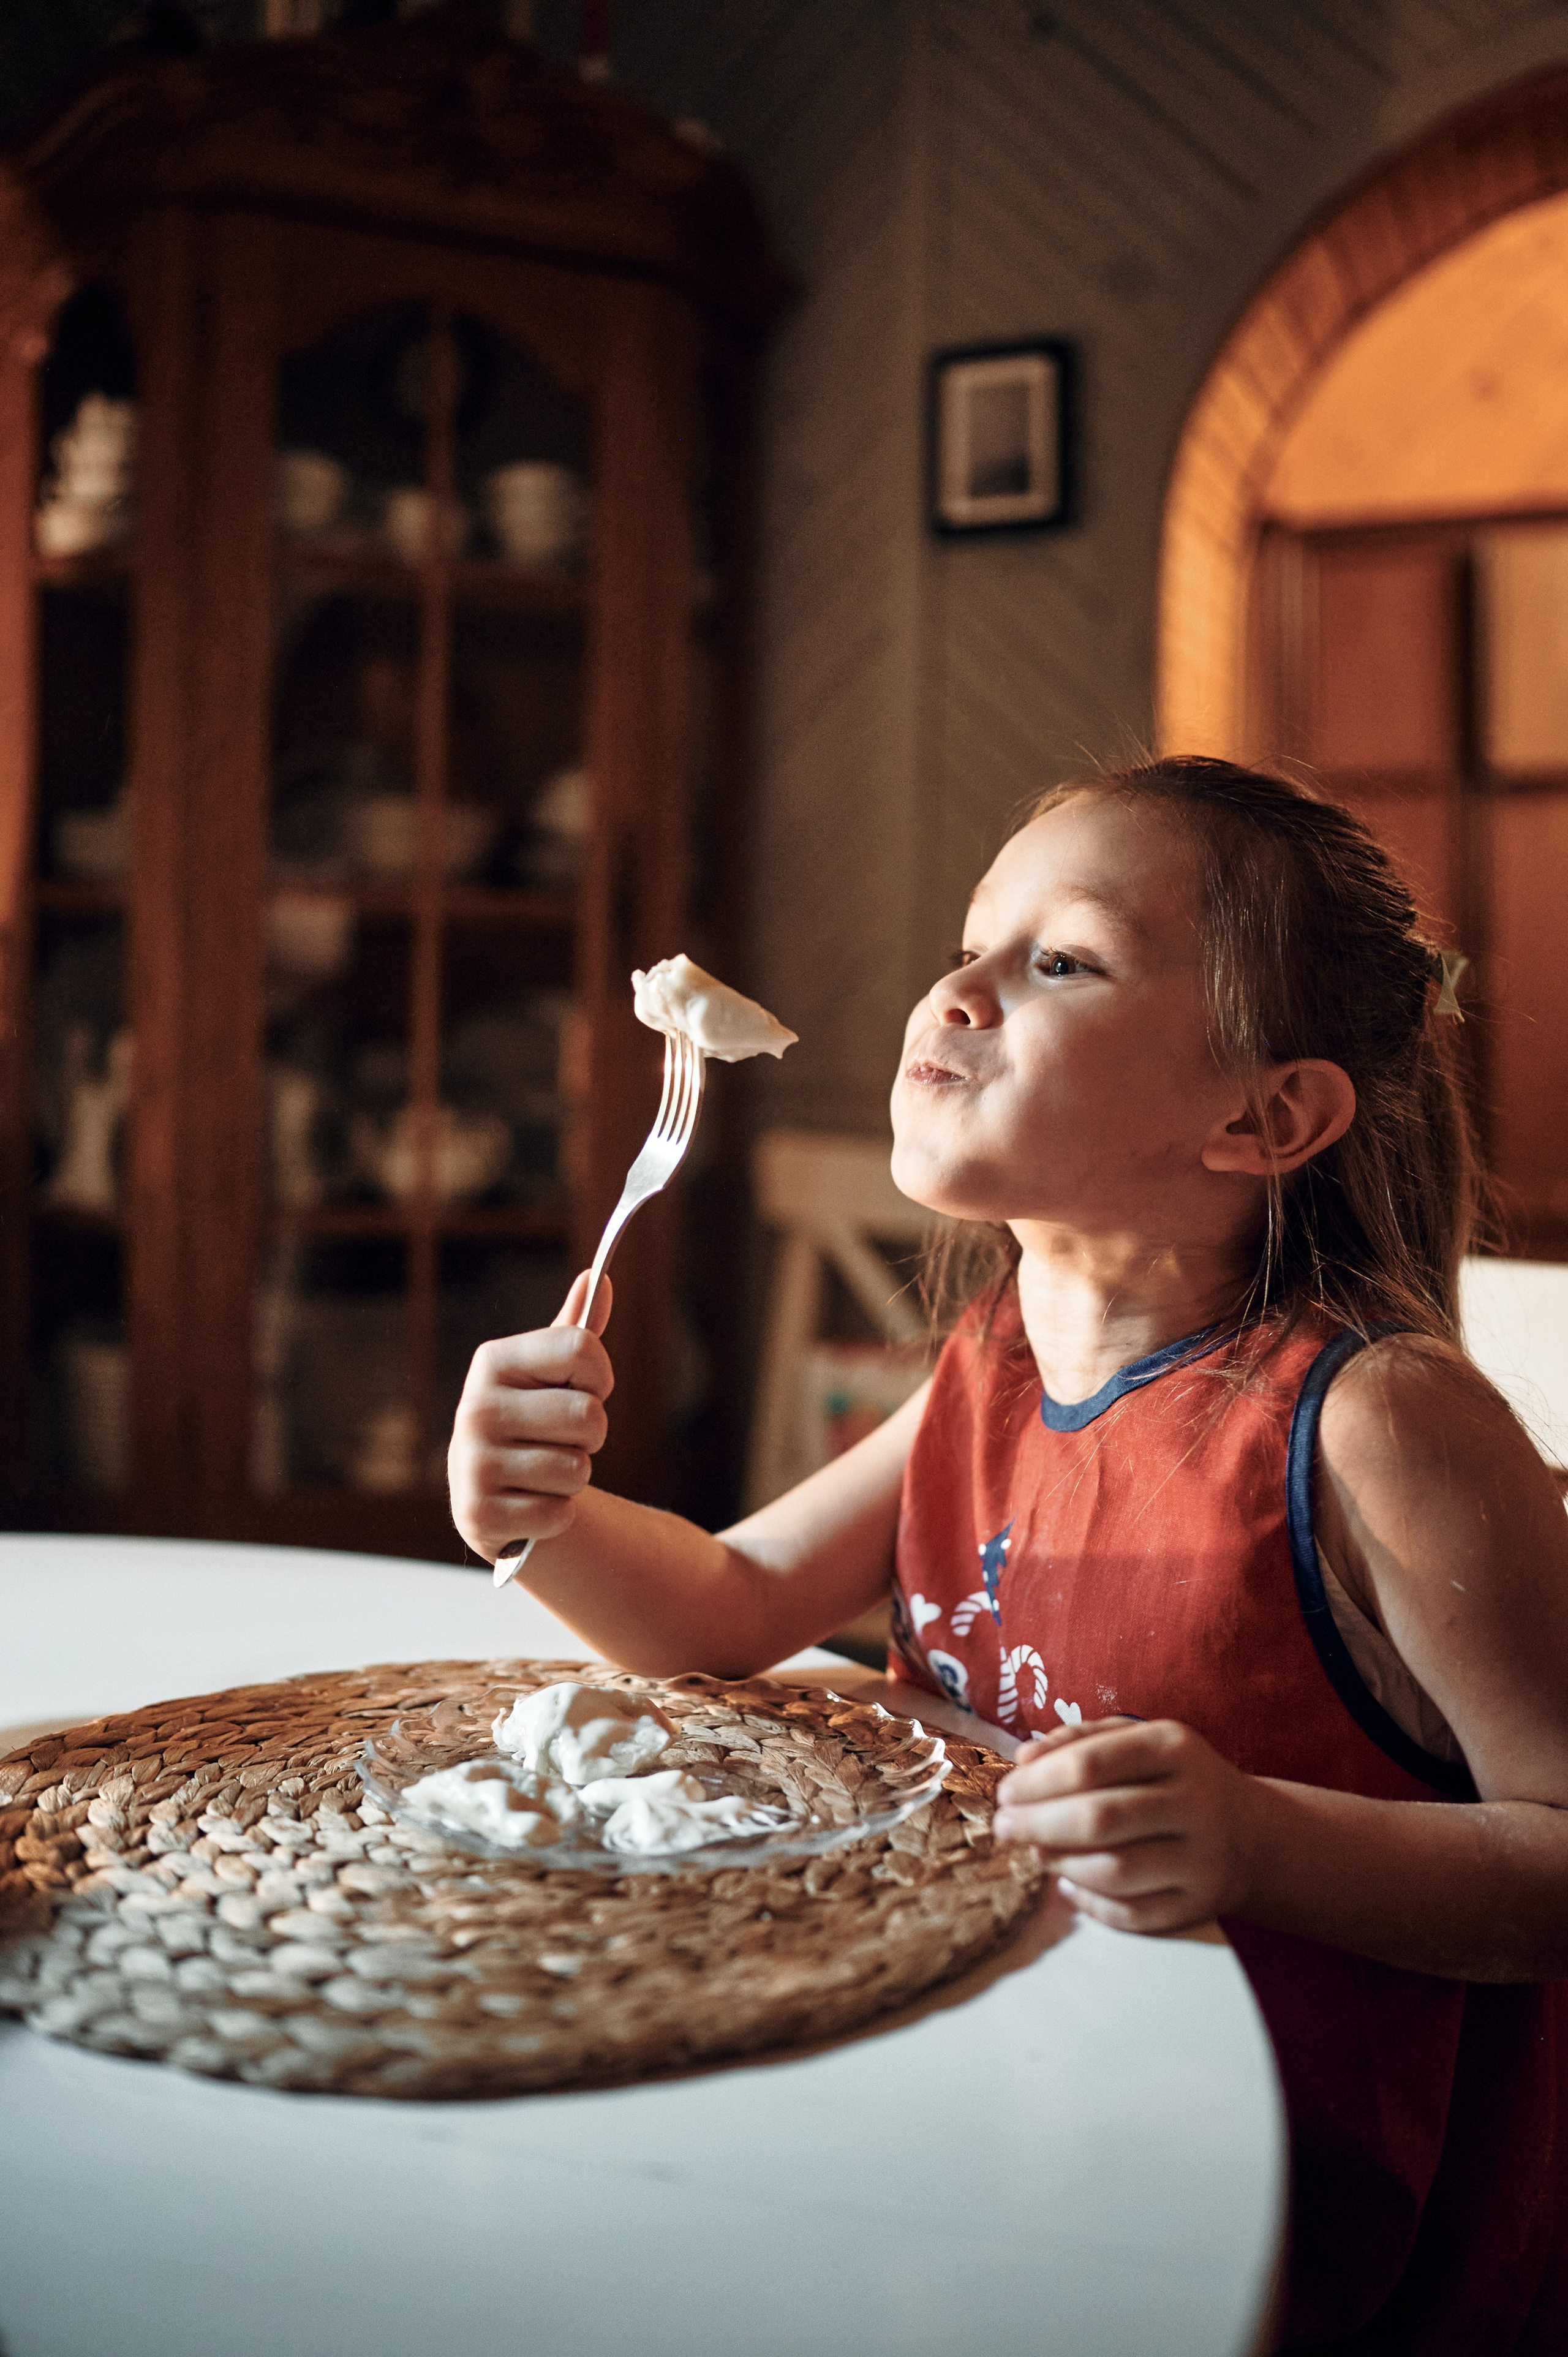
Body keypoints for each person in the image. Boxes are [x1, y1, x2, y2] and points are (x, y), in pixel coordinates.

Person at [448, 756, 1568, 2352]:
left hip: (1296, 2236)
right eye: (973, 939)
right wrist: (532, 1517)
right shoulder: (989, 1366)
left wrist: (1257, 1844)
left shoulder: (1374, 1428)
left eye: (1062, 959)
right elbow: (727, 1606)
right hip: (1009, 2141)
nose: (960, 988)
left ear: (1265, 1114)